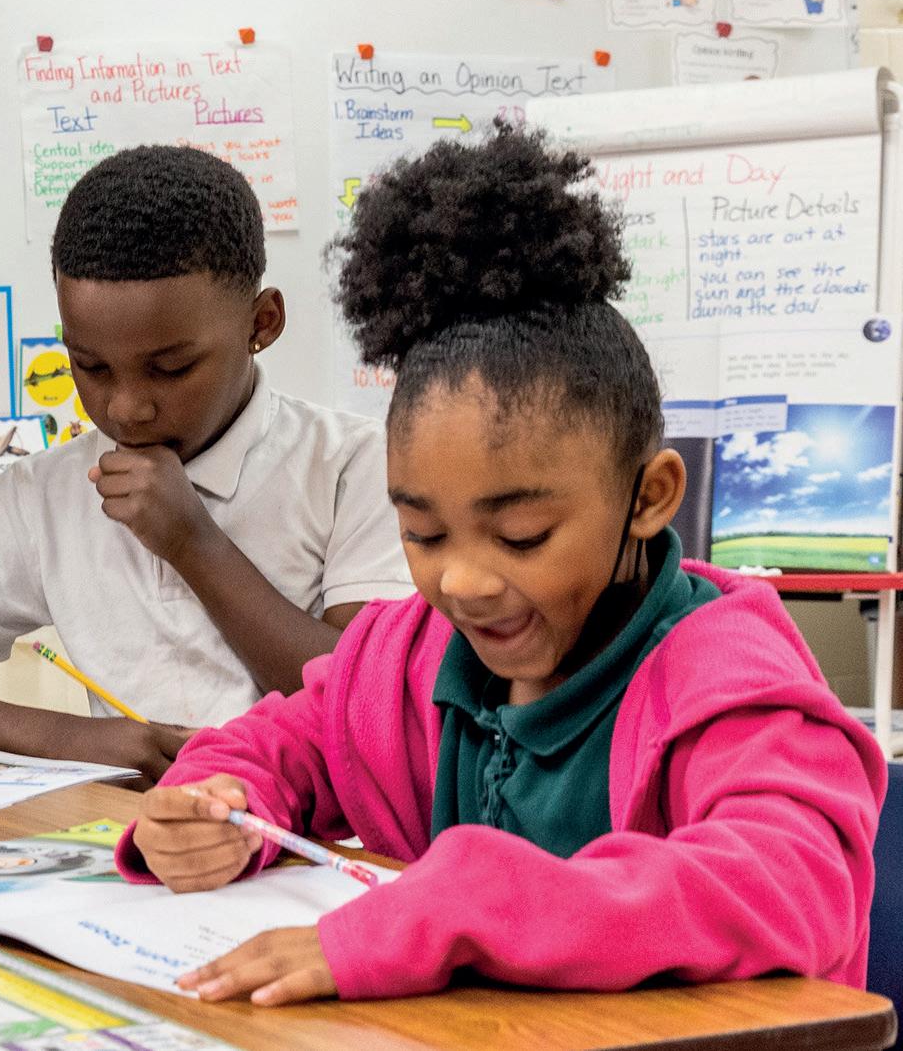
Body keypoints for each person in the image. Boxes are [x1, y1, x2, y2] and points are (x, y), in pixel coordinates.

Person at [122, 125, 885, 1005]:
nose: (462, 582)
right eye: (423, 534)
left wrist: (456, 908)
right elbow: (284, 741)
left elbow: (790, 884)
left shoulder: (725, 678)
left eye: (520, 536)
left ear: (648, 497)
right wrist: (217, 806)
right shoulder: (408, 655)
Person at [0, 145, 412, 776]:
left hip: (313, 823)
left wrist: (193, 543)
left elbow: (369, 706)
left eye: (171, 368)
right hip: (132, 821)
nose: (126, 408)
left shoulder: (355, 467)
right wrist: (75, 740)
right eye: (90, 366)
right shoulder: (44, 493)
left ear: (262, 323)